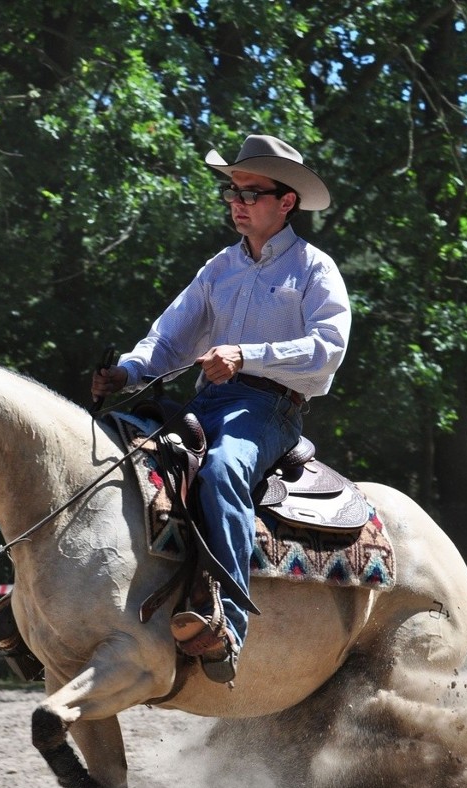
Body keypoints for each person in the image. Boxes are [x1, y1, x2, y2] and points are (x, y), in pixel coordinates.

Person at [91, 133, 351, 683]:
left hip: (268, 410)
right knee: (112, 448)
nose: (236, 202)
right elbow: (168, 343)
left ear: (287, 202)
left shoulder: (314, 269)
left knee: (221, 470)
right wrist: (127, 373)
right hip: (207, 403)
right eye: (231, 192)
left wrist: (247, 355)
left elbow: (327, 349)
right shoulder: (218, 268)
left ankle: (227, 624)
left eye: (250, 192)